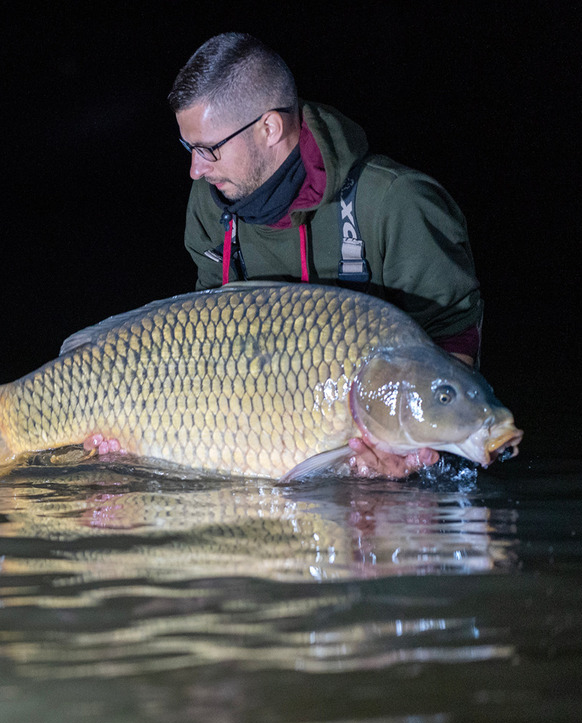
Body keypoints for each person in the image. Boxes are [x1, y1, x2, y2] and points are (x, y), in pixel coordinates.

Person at [95, 32, 483, 480]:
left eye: (208, 150)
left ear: (270, 128)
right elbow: (202, 343)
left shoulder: (397, 203)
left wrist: (414, 455)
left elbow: (454, 347)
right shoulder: (211, 205)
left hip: (375, 444)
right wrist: (138, 431)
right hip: (263, 438)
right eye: (190, 148)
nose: (196, 170)